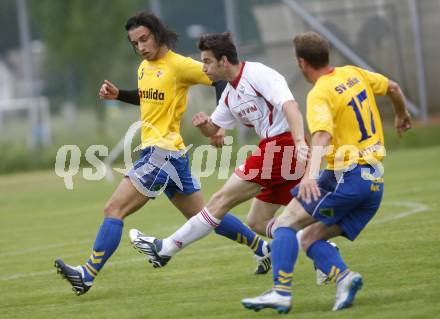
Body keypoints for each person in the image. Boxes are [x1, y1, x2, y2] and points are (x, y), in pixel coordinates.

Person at [54, 12, 272, 296]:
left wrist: (219, 124)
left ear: (158, 34)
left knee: (113, 209)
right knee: (206, 215)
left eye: (144, 39)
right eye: (135, 43)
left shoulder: (179, 65)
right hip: (173, 155)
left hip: (161, 154)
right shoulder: (145, 67)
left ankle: (87, 274)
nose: (141, 46)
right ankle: (263, 248)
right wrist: (119, 94)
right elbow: (147, 97)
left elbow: (219, 80)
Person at [241, 31, 412, 314]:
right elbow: (393, 87)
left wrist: (308, 176)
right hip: (372, 183)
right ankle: (344, 278)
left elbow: (320, 136)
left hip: (348, 177)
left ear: (301, 63)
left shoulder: (320, 92)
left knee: (285, 224)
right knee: (309, 237)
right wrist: (401, 113)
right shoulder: (353, 73)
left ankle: (281, 292)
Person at [128, 32, 309, 280]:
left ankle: (166, 248)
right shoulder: (229, 94)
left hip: (282, 146)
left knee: (220, 201)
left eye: (207, 61)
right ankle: (321, 247)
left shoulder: (258, 74)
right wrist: (205, 125)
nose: (204, 67)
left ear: (224, 61)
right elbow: (214, 128)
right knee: (258, 221)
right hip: (274, 148)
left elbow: (291, 106)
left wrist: (299, 142)